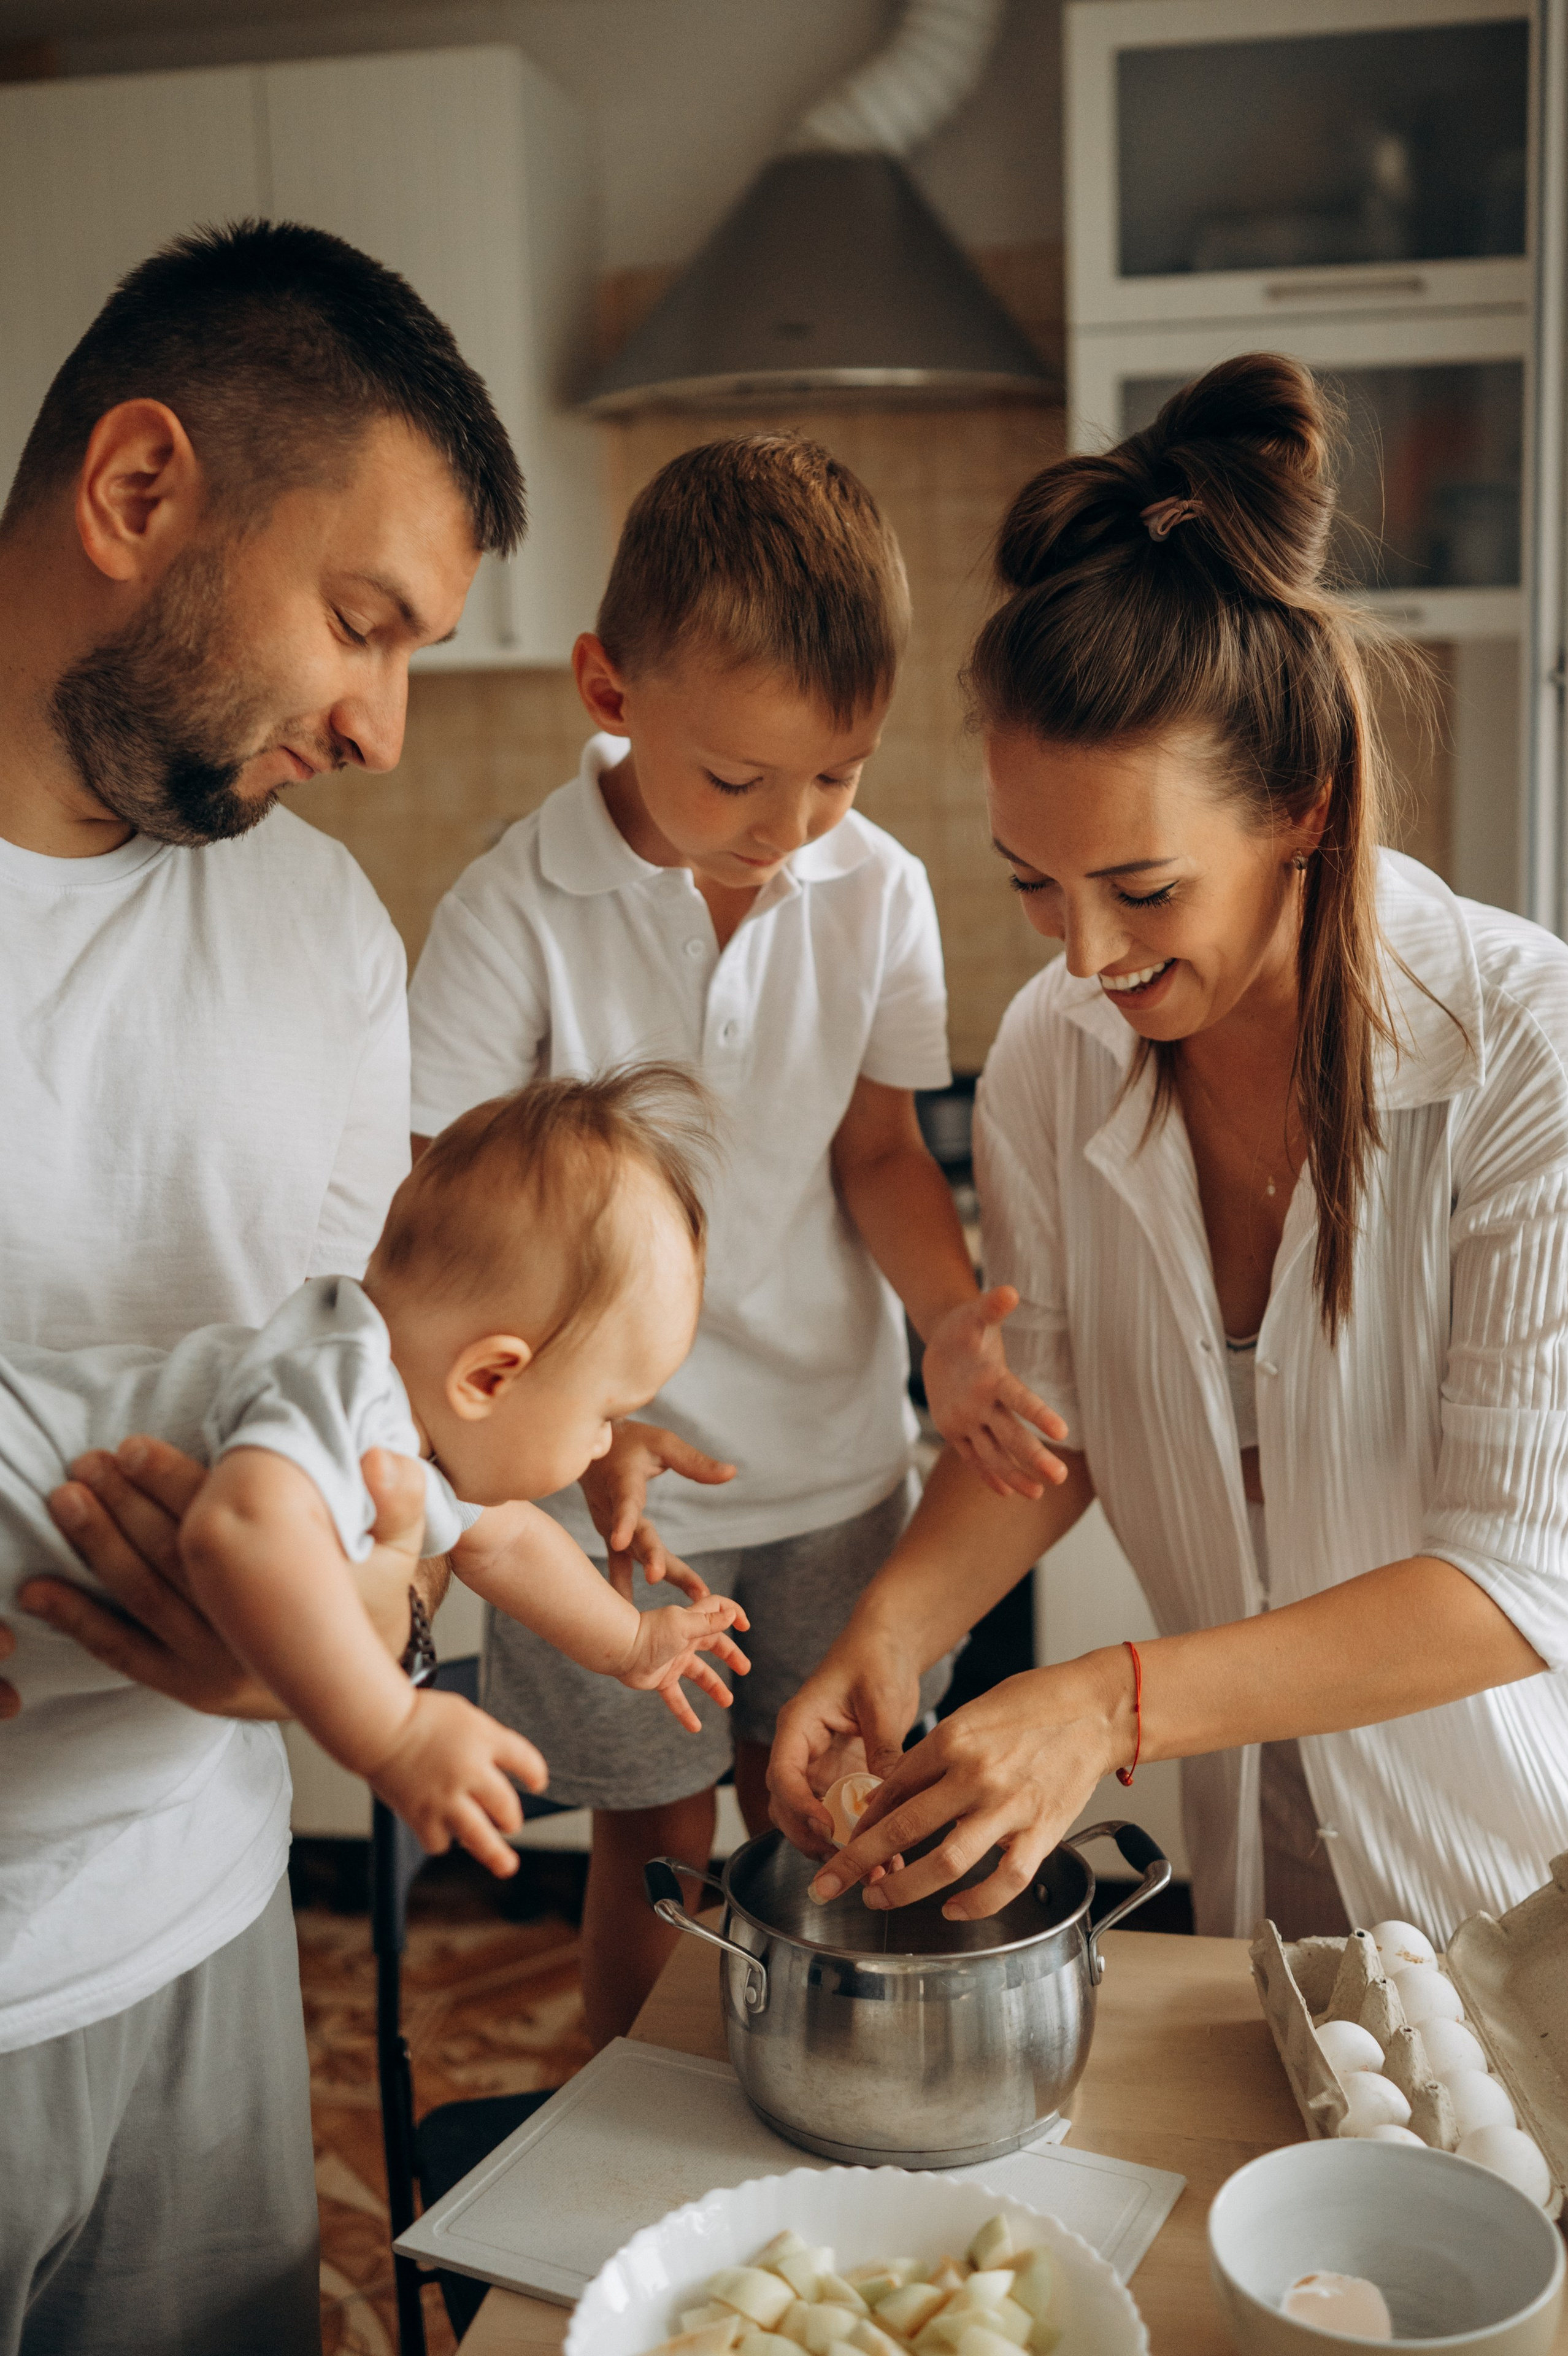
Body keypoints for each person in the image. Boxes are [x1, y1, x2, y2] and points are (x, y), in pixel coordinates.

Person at [770, 353, 1568, 1949]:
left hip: (1525, 1878)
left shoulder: (1526, 1054)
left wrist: (1109, 1706)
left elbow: (1517, 1580)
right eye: (1031, 887)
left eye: (1142, 891)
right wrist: (894, 1625)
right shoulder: (1062, 1070)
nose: (1081, 959)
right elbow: (1047, 1427)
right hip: (1259, 1867)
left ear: (1306, 812)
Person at [0, 220, 523, 2356]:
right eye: (361, 622)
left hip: (206, 1941)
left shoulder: (322, 939)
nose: (388, 728)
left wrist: (341, 1646)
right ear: (141, 495)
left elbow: (372, 1444)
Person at [407, 434, 1064, 2041]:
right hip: (597, 1500)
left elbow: (882, 1154)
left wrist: (945, 1320)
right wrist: (599, 1422)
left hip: (838, 1465)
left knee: (826, 1816)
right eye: (737, 778)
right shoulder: (513, 911)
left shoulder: (876, 887)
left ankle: (802, 2118)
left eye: (838, 774)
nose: (790, 824)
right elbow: (441, 1238)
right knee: (657, 1837)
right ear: (608, 686)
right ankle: (633, 2136)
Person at [2, 1071, 750, 1871]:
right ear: (490, 1379)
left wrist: (631, 1642)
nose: (607, 1445)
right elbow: (238, 1530)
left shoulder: (407, 1431)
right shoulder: (345, 1386)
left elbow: (507, 1546)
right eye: (606, 1414)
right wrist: (393, 1731)